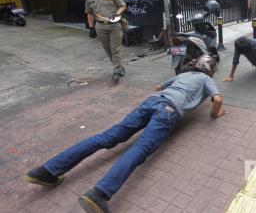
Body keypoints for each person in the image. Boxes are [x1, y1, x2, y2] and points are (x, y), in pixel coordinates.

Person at [24, 55, 225, 213]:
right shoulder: (206, 79)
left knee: (107, 138)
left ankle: (47, 171)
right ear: (211, 70)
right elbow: (216, 100)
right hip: (168, 111)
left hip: (151, 101)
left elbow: (159, 86)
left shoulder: (183, 75)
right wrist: (216, 115)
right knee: (140, 149)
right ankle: (99, 194)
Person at [79, 0, 127, 81]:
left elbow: (122, 6)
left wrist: (117, 13)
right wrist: (91, 28)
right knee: (108, 49)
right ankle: (118, 67)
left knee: (115, 49)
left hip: (115, 25)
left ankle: (116, 70)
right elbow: (89, 13)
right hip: (100, 27)